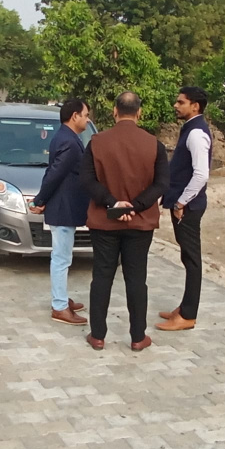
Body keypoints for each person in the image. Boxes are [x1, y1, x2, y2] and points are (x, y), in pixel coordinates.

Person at [79, 91, 170, 352]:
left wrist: (112, 202)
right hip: (140, 223)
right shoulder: (154, 145)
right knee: (137, 279)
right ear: (139, 112)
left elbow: (86, 180)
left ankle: (98, 335)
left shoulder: (97, 142)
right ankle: (138, 337)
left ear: (115, 111)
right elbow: (162, 183)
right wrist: (137, 205)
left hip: (105, 221)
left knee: (102, 276)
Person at [29, 99, 91, 326]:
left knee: (63, 257)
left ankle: (62, 297)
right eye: (85, 115)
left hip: (64, 206)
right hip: (63, 207)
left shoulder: (66, 137)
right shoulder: (69, 142)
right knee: (61, 258)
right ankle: (59, 306)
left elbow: (53, 172)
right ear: (74, 116)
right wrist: (40, 200)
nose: (88, 120)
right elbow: (54, 174)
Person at [157, 86, 212, 331]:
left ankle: (188, 315)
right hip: (184, 205)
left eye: (181, 102)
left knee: (192, 259)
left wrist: (181, 202)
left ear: (195, 106)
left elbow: (201, 175)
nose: (176, 106)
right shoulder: (190, 129)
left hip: (187, 207)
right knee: (187, 257)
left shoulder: (196, 134)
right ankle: (184, 308)